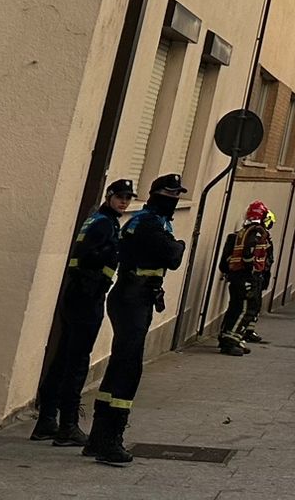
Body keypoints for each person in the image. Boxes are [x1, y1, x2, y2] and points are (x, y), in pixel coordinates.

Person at [83, 172, 187, 466]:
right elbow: (174, 257)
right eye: (170, 196)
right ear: (157, 196)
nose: (174, 201)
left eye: (178, 196)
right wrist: (179, 244)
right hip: (133, 299)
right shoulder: (150, 225)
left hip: (131, 297)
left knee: (120, 364)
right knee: (128, 369)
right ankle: (110, 440)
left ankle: (97, 439)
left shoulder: (142, 219)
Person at [32, 178, 135, 447]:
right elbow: (89, 256)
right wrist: (115, 250)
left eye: (128, 198)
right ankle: (68, 425)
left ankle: (46, 421)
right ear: (110, 196)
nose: (124, 202)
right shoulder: (103, 223)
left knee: (64, 358)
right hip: (86, 297)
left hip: (77, 295)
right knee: (76, 363)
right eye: (120, 197)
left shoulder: (98, 219)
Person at [217, 202, 276, 355]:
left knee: (235, 308)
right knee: (243, 310)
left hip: (238, 277)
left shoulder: (243, 232)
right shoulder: (256, 233)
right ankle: (230, 342)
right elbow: (249, 254)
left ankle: (229, 337)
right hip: (246, 277)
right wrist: (252, 271)